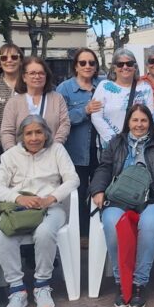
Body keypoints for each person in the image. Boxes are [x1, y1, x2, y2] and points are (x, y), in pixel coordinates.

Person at [89, 104, 154, 307]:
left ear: (150, 122)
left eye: (143, 120)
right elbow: (104, 167)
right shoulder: (116, 143)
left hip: (153, 198)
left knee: (148, 226)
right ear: (128, 122)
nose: (139, 125)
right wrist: (97, 190)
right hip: (119, 199)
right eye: (135, 120)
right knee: (112, 225)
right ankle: (123, 283)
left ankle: (139, 283)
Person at [0, 115, 81, 307]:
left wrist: (51, 198)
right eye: (28, 133)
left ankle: (42, 285)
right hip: (20, 210)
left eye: (38, 132)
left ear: (46, 133)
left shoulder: (56, 150)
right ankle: (17, 290)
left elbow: (73, 179)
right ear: (21, 135)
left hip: (50, 208)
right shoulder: (10, 155)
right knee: (3, 236)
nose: (34, 138)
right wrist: (17, 198)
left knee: (45, 232)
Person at [55, 48, 102, 239]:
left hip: (101, 151)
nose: (87, 66)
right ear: (76, 66)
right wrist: (85, 110)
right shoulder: (65, 88)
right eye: (83, 63)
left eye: (91, 63)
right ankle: (82, 234)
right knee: (79, 193)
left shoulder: (104, 85)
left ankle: (98, 232)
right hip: (76, 150)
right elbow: (61, 119)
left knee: (101, 191)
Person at [0, 56, 70, 151]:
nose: (37, 76)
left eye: (41, 73)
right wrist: (13, 154)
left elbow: (65, 124)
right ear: (24, 77)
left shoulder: (57, 98)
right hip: (21, 157)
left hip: (51, 155)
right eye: (32, 73)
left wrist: (54, 148)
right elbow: (7, 131)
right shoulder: (14, 102)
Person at [91, 48, 154, 147]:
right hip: (110, 146)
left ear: (135, 67)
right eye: (120, 64)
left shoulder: (145, 88)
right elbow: (96, 116)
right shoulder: (104, 86)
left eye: (129, 63)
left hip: (139, 145)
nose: (125, 67)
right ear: (114, 68)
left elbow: (150, 116)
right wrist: (115, 141)